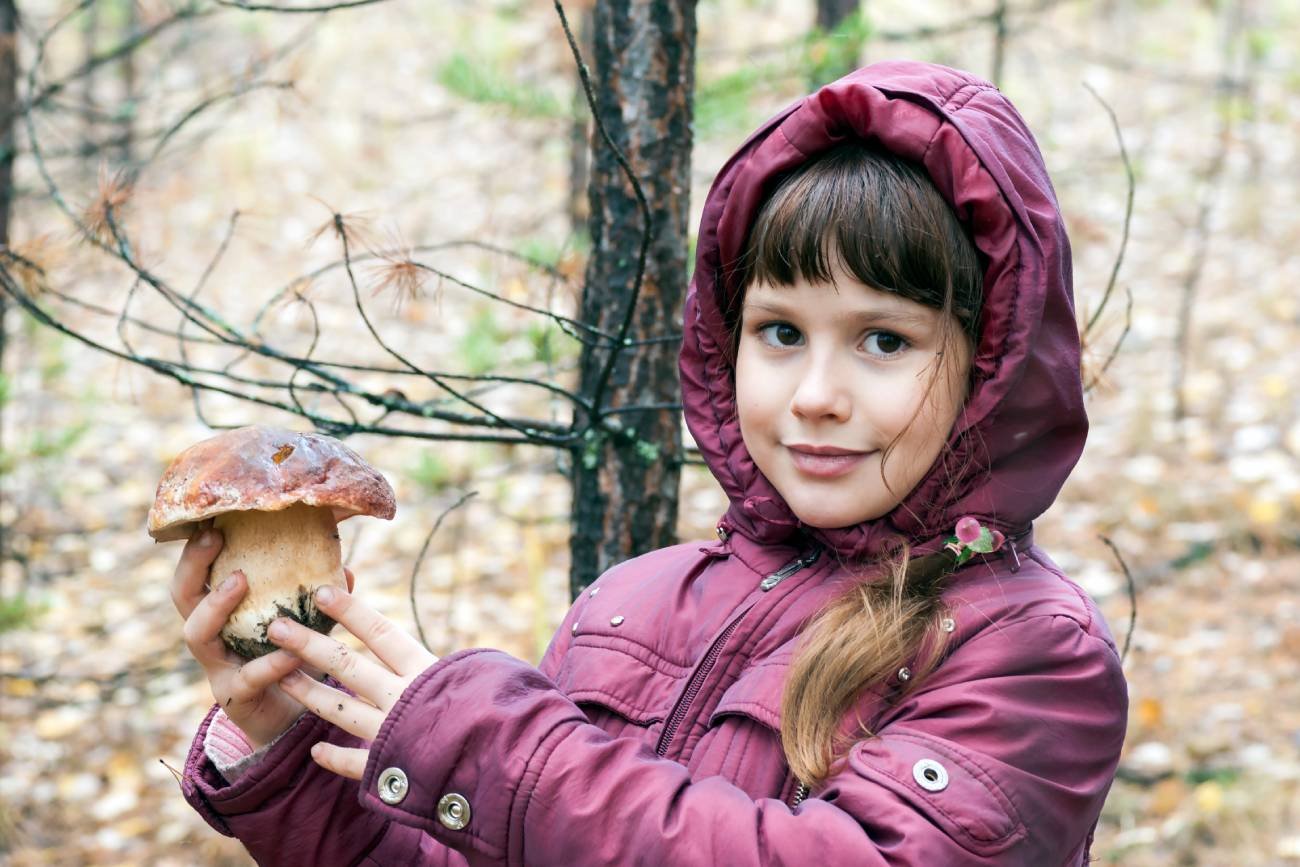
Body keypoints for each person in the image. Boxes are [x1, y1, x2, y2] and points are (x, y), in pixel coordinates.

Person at [170, 60, 1128, 865]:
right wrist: (283, 746)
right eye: (781, 330)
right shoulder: (632, 602)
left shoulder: (1032, 655)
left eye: (884, 341)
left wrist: (491, 748)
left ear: (991, 365)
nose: (815, 394)